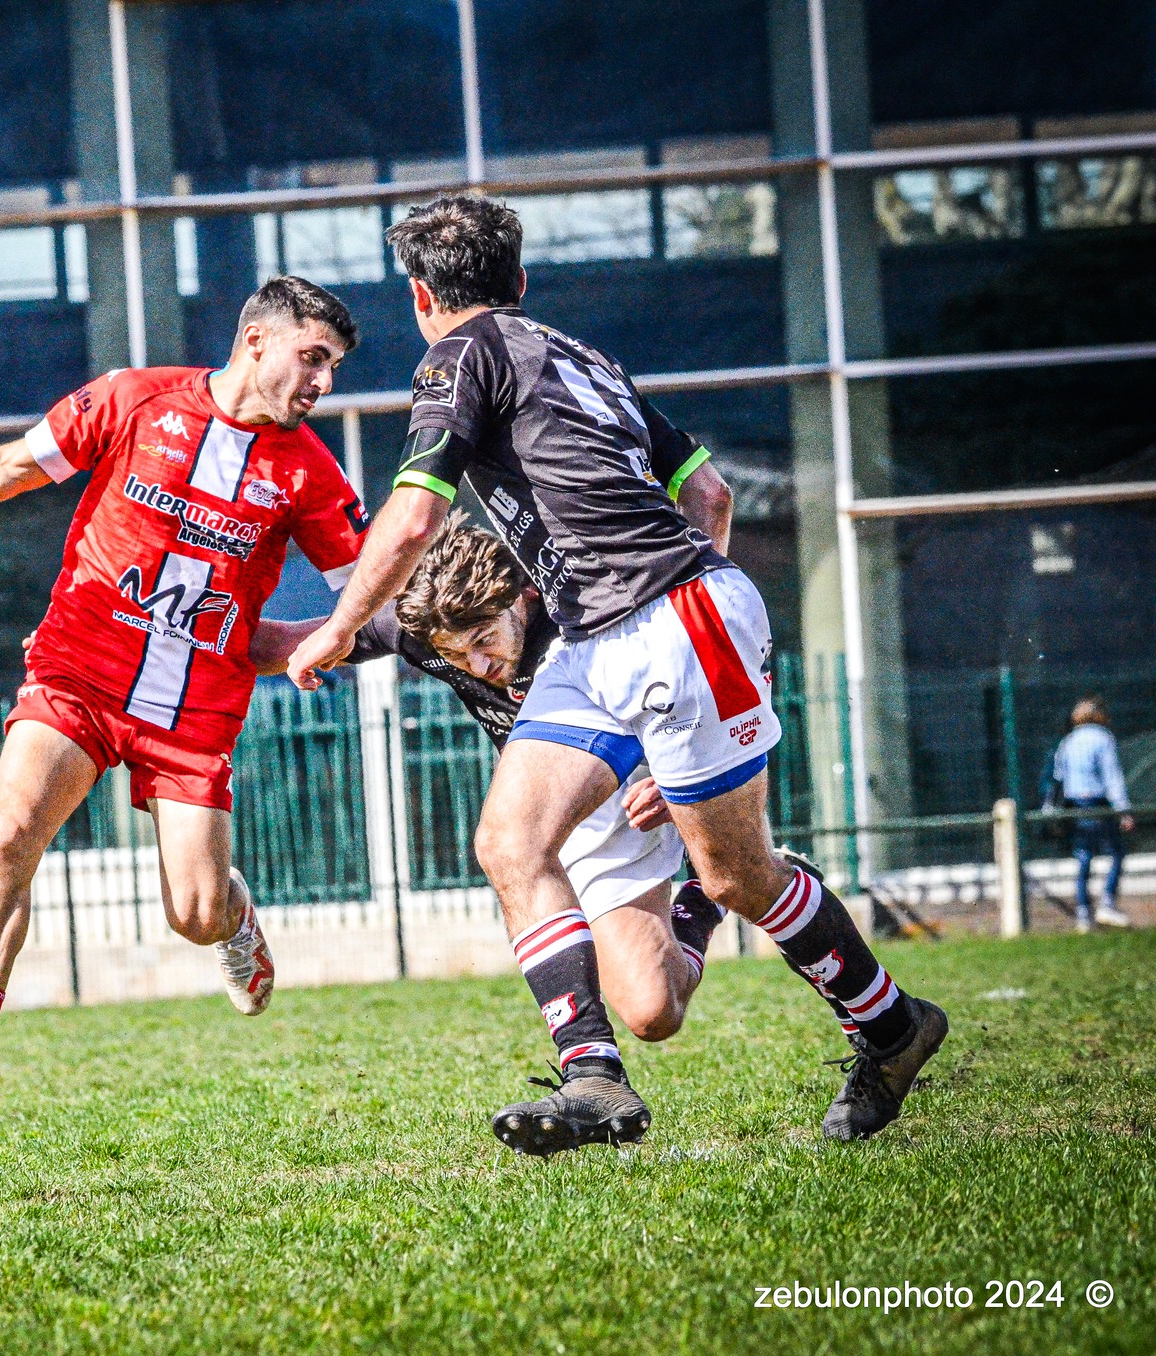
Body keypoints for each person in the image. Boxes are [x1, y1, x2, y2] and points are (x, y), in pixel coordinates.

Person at [285, 195, 945, 1153]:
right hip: (606, 637)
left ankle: (891, 1026)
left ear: (424, 296)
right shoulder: (583, 358)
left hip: (671, 620)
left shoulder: (457, 356)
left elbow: (416, 513)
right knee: (512, 842)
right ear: (519, 282)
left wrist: (341, 626)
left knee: (735, 872)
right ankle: (593, 1081)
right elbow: (708, 492)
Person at [0, 276, 373, 1131]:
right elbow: (1, 470)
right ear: (254, 343)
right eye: (312, 358)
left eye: (333, 366)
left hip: (196, 710)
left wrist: (320, 642)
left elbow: (358, 602)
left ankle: (232, 913)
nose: (323, 382)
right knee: (10, 837)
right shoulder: (136, 399)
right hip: (77, 670)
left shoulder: (310, 473)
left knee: (195, 914)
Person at [254, 518, 728, 1080]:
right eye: (455, 656)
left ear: (522, 595)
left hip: (643, 782)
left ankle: (708, 893)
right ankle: (687, 924)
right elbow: (283, 644)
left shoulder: (583, 607)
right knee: (649, 1007)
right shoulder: (417, 624)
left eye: (484, 640)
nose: (478, 667)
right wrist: (176, 629)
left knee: (659, 997)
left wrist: (680, 776)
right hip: (553, 806)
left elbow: (703, 664)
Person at [1051, 697, 1134, 932]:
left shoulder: (1068, 741)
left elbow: (1059, 775)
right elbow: (1112, 777)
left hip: (1075, 804)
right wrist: (1123, 810)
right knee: (1117, 852)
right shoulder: (1102, 738)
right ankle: (1107, 902)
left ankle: (1083, 913)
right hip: (1098, 802)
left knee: (1084, 856)